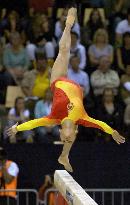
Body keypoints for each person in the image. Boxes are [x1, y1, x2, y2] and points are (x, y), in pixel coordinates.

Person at [7, 8, 125, 173]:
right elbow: (101, 125)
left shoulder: (53, 118)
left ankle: (68, 25)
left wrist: (16, 128)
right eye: (70, 135)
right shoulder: (82, 118)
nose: (67, 133)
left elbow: (33, 123)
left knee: (63, 51)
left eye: (65, 134)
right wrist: (112, 132)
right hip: (74, 84)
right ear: (76, 129)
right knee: (65, 52)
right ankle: (64, 156)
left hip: (58, 80)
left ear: (62, 129)